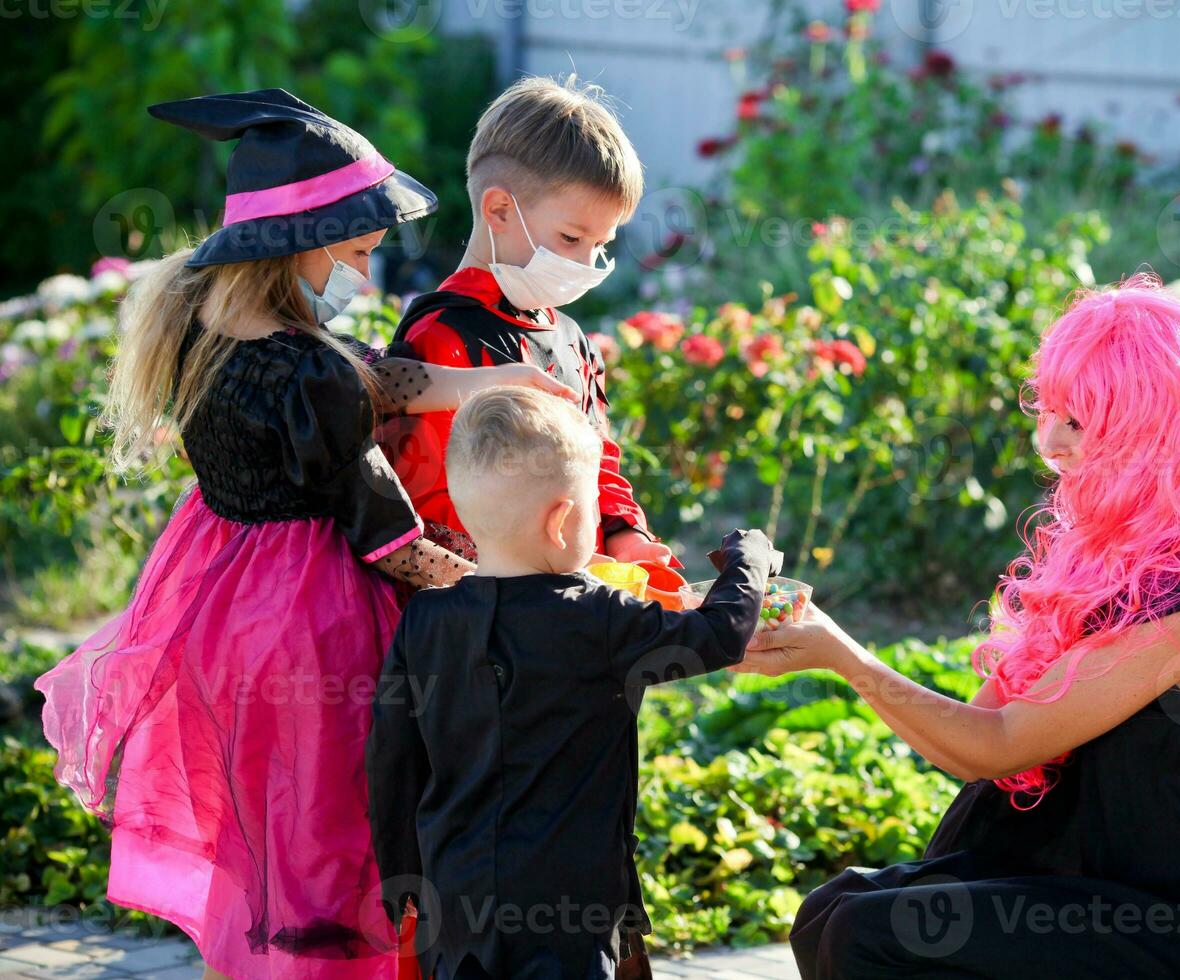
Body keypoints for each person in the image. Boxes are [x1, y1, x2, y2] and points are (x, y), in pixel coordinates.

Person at [34, 89, 575, 980]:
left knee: (263, 830)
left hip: (220, 610)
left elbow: (374, 377)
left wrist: (489, 381)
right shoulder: (311, 371)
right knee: (331, 834)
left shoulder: (207, 325)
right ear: (305, 245)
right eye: (359, 251)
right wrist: (498, 589)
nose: (366, 274)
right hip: (310, 624)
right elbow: (385, 536)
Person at [733, 275, 1180, 979]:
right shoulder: (1120, 560)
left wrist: (845, 658)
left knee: (874, 933)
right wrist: (828, 649)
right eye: (1051, 412)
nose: (1050, 441)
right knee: (832, 911)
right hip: (1111, 890)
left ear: (1153, 430)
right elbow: (974, 738)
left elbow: (998, 746)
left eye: (1081, 420)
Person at [365, 387, 781, 979]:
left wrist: (399, 867)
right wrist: (750, 561)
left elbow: (391, 755)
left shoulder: (426, 619)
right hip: (566, 901)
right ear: (562, 521)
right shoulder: (596, 616)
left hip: (454, 891)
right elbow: (715, 636)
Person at [379, 75, 674, 568]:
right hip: (484, 608)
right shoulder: (442, 336)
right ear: (498, 208)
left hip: (568, 597)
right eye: (571, 238)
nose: (586, 263)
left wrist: (625, 535)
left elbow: (596, 459)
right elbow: (426, 505)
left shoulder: (572, 341)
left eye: (601, 246)